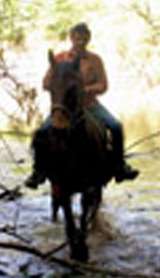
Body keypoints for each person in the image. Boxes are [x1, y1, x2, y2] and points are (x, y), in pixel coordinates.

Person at [25, 22, 139, 187]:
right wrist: (60, 87)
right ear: (71, 38)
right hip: (65, 107)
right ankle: (38, 171)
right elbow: (46, 83)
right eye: (77, 38)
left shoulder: (95, 60)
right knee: (42, 131)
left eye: (84, 39)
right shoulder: (59, 58)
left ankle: (119, 167)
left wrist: (84, 90)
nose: (80, 42)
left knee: (115, 126)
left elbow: (103, 85)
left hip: (90, 105)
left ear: (88, 40)